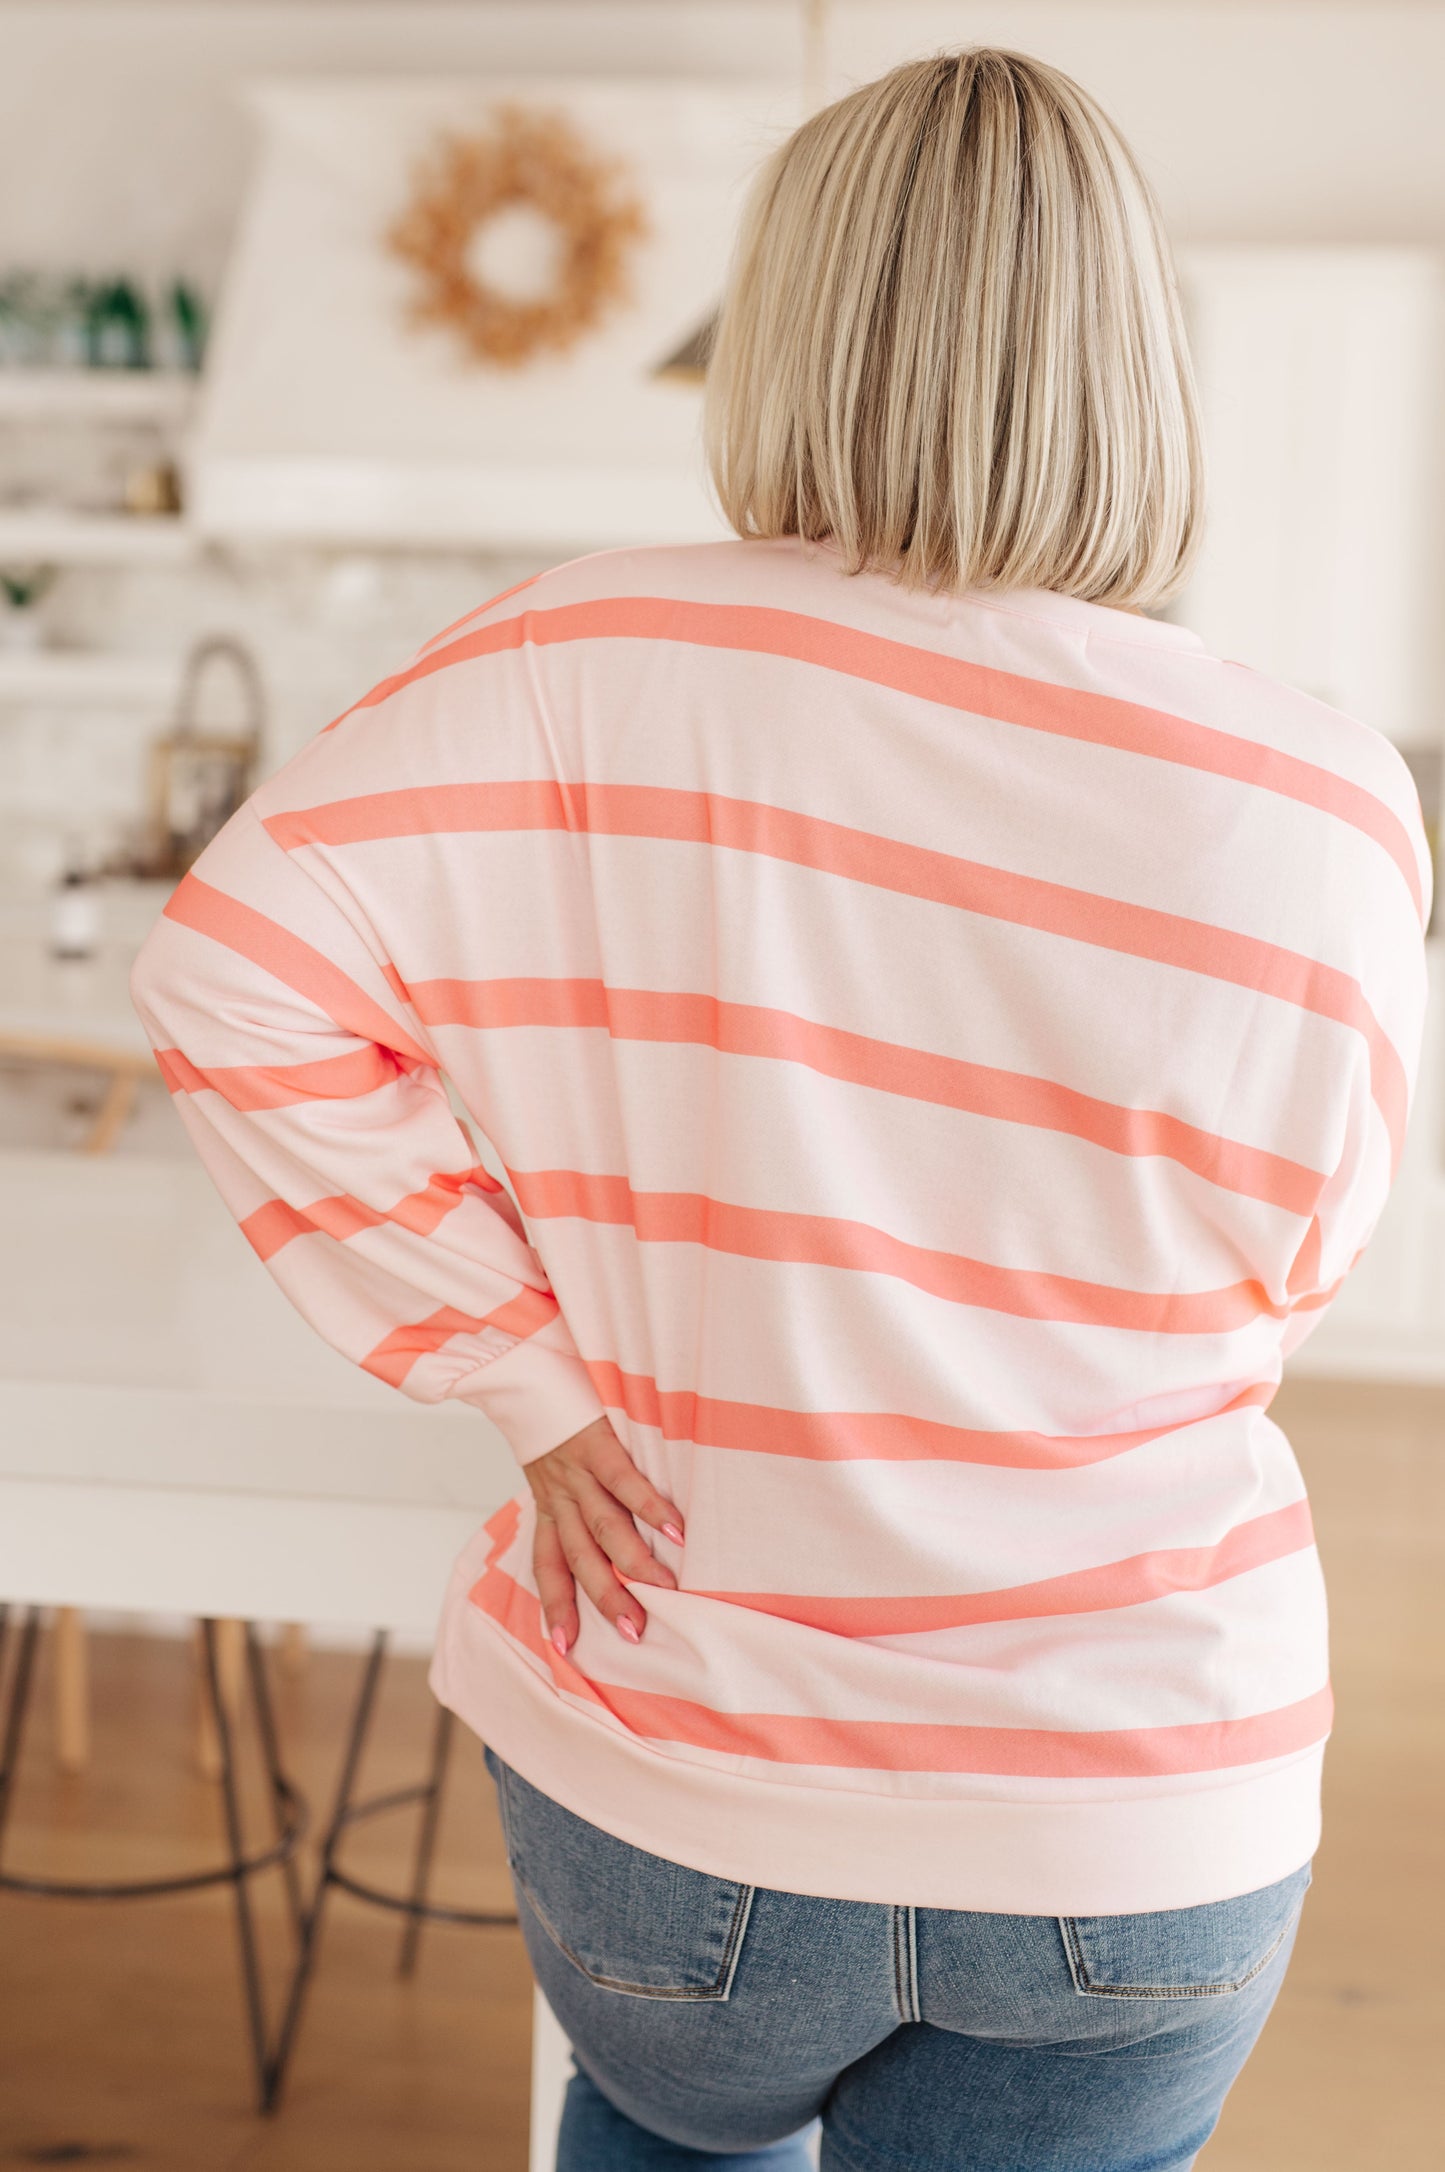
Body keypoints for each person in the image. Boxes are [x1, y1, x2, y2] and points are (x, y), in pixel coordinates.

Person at [130, 46, 1429, 2172]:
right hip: (1134, 1803)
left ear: (788, 329)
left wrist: (522, 1372)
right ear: (1140, 361)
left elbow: (230, 970)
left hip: (687, 1773)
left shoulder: (579, 653)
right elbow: (1289, 1271)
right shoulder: (1331, 800)